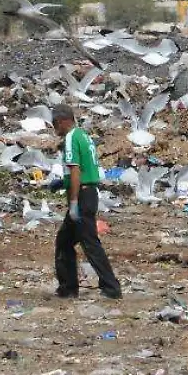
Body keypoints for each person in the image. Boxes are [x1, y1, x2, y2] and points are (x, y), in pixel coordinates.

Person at [52, 104, 121, 299]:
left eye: (55, 123)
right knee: (65, 242)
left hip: (82, 196)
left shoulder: (71, 137)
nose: (55, 127)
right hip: (89, 193)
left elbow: (76, 170)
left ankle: (111, 288)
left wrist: (73, 202)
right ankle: (68, 288)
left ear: (63, 120)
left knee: (90, 244)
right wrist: (62, 183)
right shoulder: (84, 135)